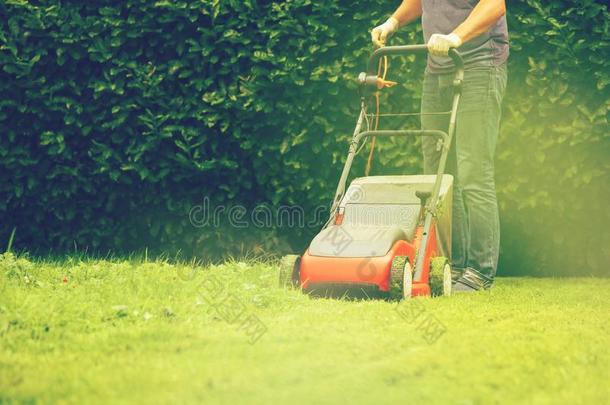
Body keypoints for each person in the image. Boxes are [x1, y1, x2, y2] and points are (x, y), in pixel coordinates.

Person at [371, 0, 509, 292]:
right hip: (436, 70)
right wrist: (392, 22)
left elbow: (495, 4)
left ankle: (479, 272)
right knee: (439, 177)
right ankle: (450, 266)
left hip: (479, 65)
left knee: (474, 170)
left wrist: (456, 37)